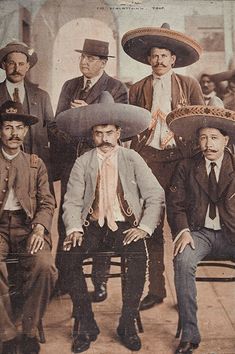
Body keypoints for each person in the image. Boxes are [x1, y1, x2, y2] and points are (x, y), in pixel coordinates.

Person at [56, 91, 165, 353]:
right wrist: (73, 228)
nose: (104, 139)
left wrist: (144, 227)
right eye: (98, 133)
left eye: (109, 132)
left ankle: (126, 323)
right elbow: (71, 200)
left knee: (138, 258)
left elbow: (155, 194)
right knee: (67, 258)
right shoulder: (83, 162)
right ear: (92, 136)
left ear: (119, 133)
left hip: (125, 225)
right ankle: (87, 322)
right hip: (92, 226)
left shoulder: (132, 158)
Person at [121, 23, 204, 311]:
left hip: (180, 160)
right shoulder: (137, 88)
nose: (159, 61)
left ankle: (184, 292)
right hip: (150, 160)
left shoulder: (189, 85)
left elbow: (198, 123)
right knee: (152, 224)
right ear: (148, 59)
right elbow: (130, 128)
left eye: (164, 56)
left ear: (174, 59)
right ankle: (156, 289)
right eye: (154, 55)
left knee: (183, 225)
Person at [54, 39, 128, 299]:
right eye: (82, 57)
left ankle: (100, 280)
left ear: (103, 63)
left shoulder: (117, 88)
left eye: (91, 58)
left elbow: (117, 129)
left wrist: (89, 116)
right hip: (71, 164)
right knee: (68, 217)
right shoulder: (69, 86)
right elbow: (57, 124)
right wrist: (71, 124)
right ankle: (64, 278)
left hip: (102, 164)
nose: (84, 62)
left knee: (100, 218)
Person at [166, 104, 235, 354]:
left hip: (233, 235)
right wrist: (183, 231)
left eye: (214, 138)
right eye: (203, 138)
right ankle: (190, 333)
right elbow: (175, 205)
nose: (208, 144)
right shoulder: (186, 166)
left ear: (226, 139)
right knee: (183, 260)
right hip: (200, 233)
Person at [0, 101, 57, 354]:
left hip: (28, 228)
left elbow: (47, 202)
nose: (14, 133)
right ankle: (7, 333)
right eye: (8, 127)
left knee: (45, 266)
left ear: (25, 132)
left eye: (19, 128)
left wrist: (39, 229)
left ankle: (29, 331)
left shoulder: (36, 164)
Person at [0, 41, 55, 193]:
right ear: (4, 65)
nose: (16, 69)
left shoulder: (42, 96)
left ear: (27, 66)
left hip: (35, 171)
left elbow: (53, 131)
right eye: (11, 63)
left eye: (21, 64)